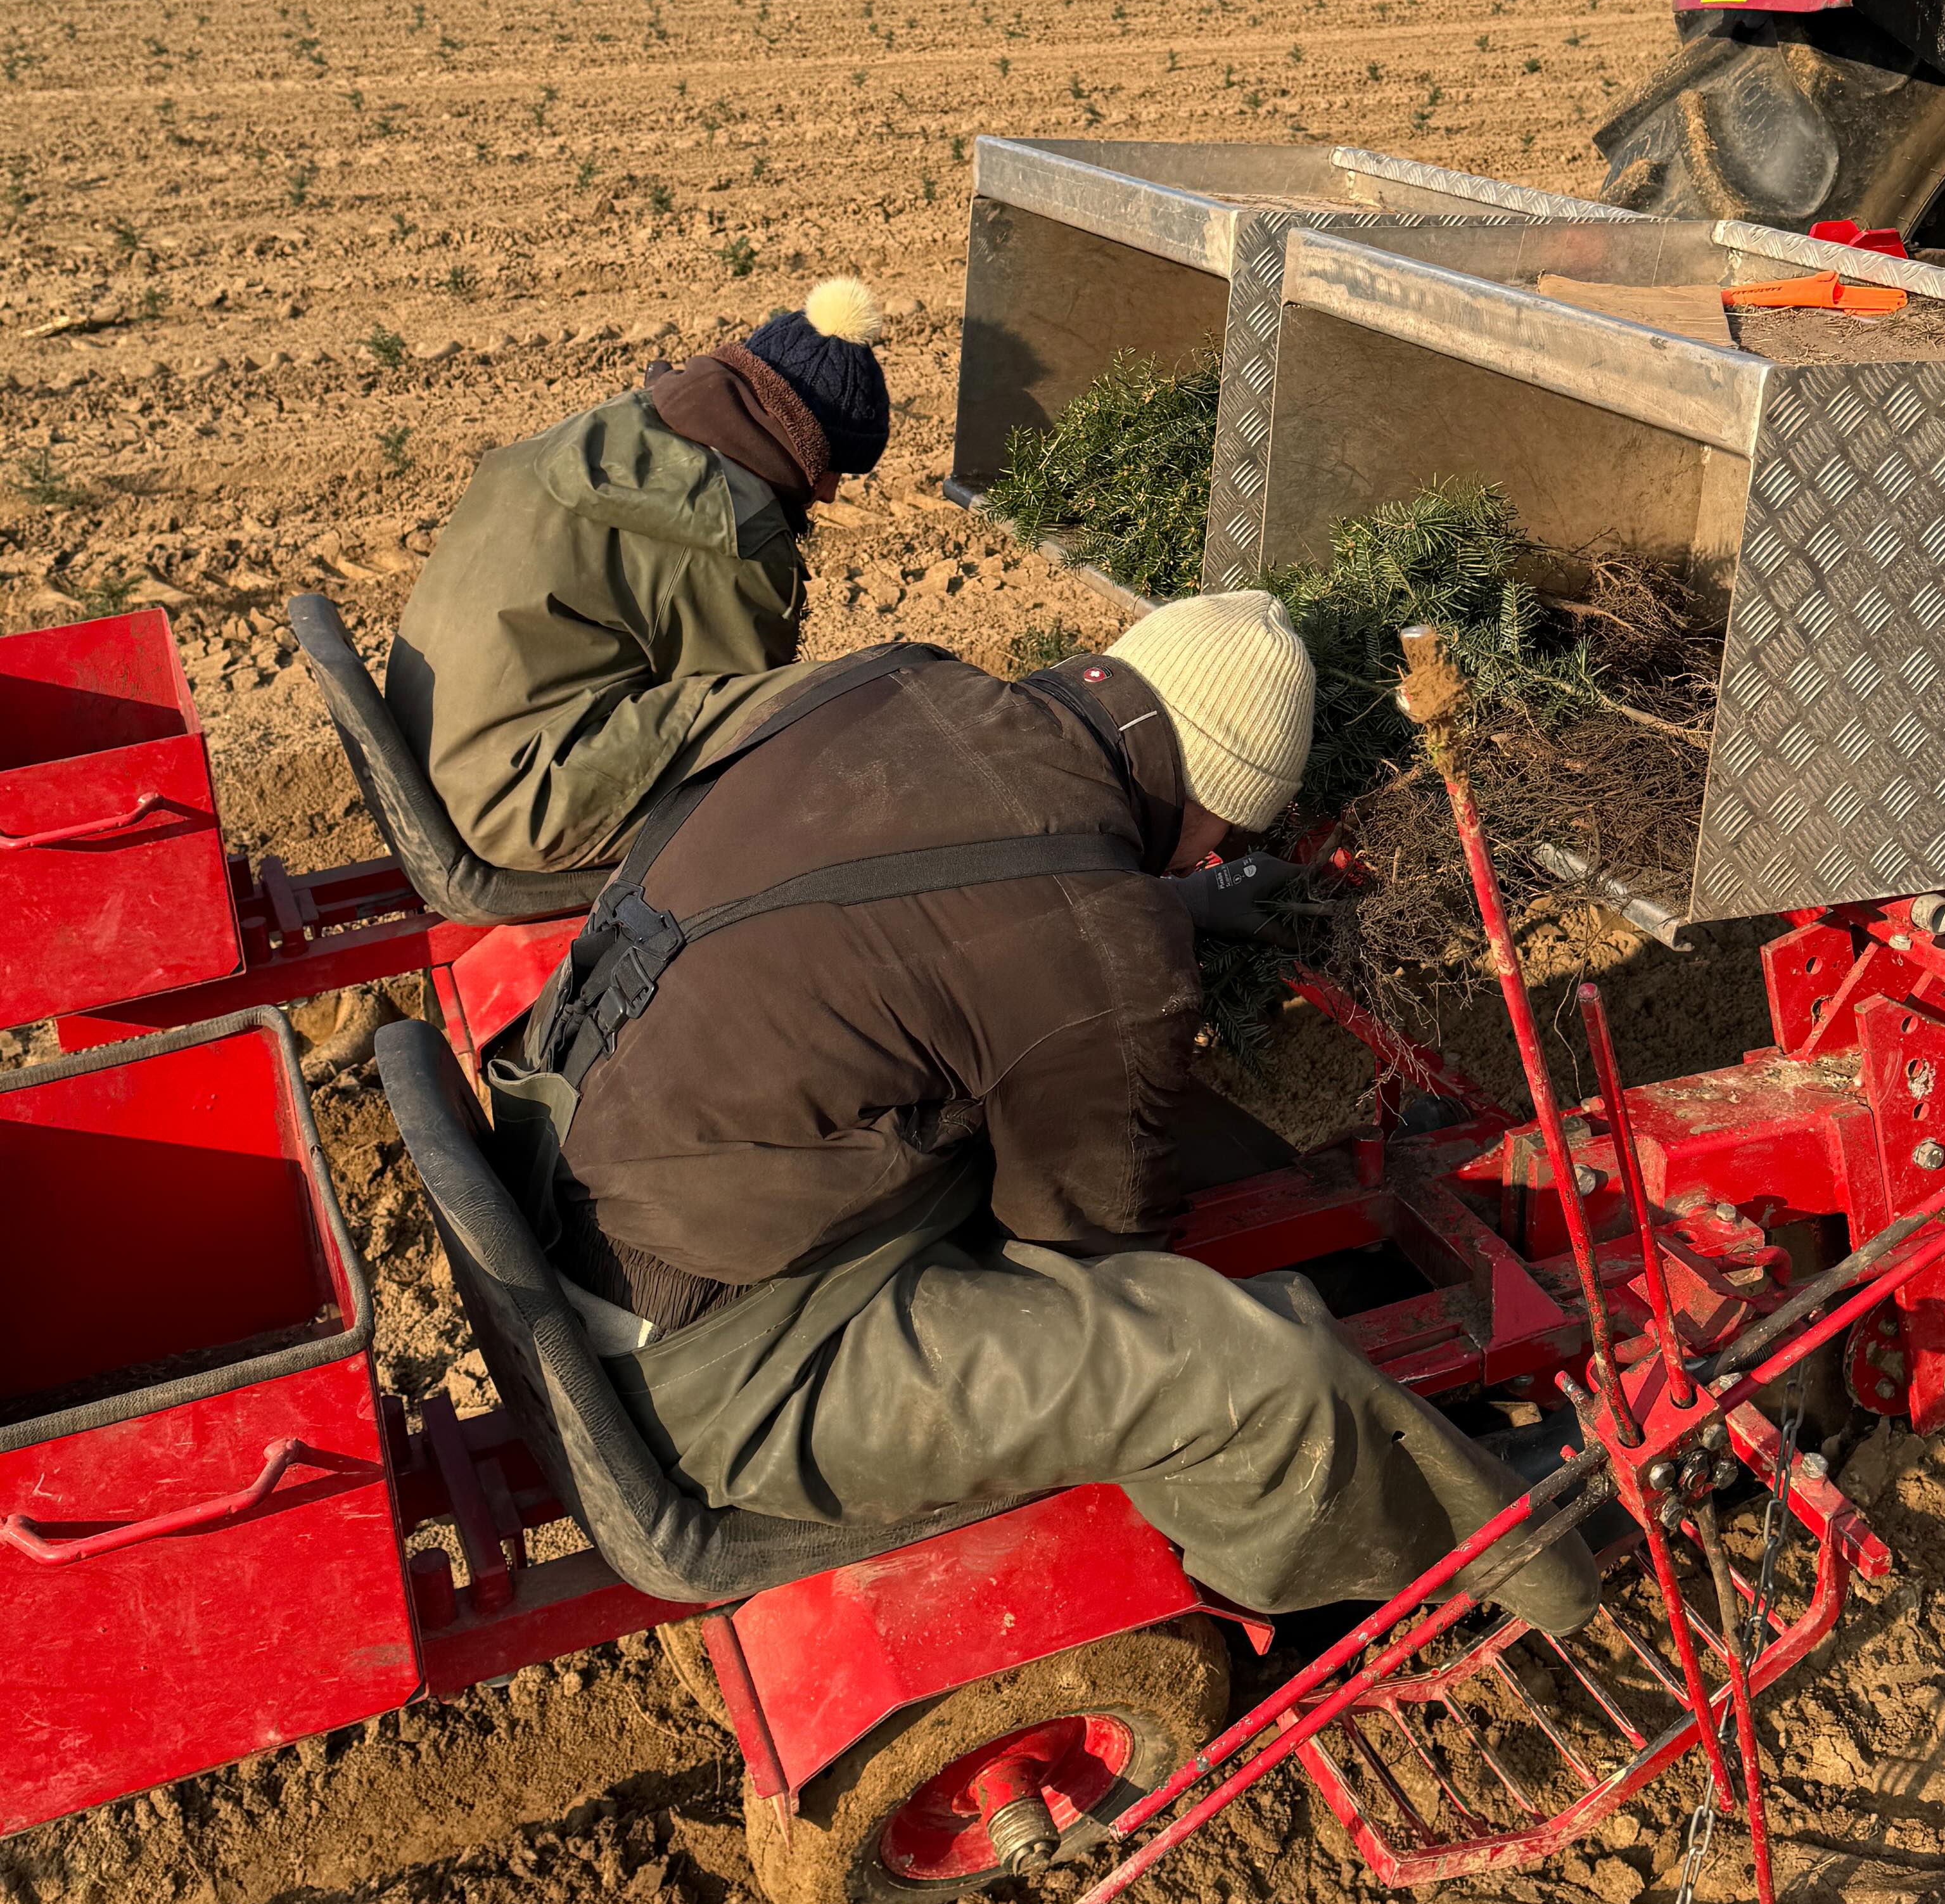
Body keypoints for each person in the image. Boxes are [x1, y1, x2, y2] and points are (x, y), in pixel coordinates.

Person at [490, 589, 1597, 1629]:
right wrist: (1138, 940)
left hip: (589, 1176)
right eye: (1224, 838)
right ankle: (1467, 1566)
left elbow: (927, 897)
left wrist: (1163, 904)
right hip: (717, 1362)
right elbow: (1086, 1237)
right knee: (1246, 1376)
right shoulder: (1103, 942)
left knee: (1173, 1142)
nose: (1219, 857)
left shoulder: (899, 681)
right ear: (1213, 805)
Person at [385, 276, 890, 872]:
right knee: (833, 708)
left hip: (437, 754)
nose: (829, 494)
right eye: (834, 470)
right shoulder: (735, 522)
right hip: (524, 802)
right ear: (805, 445)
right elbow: (746, 730)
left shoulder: (614, 430)